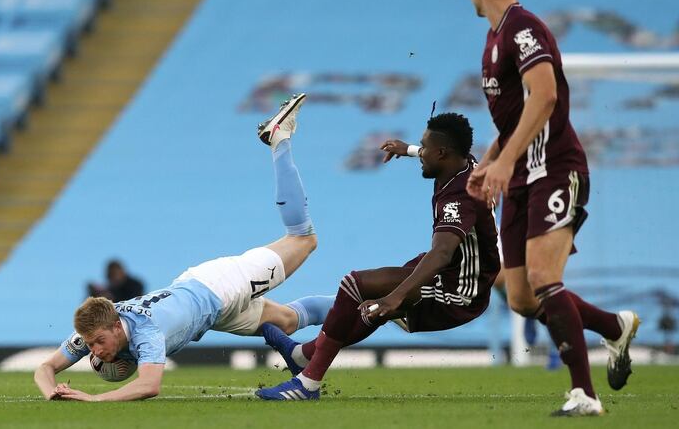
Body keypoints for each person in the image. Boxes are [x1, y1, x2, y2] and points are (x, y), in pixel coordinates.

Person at [33, 94, 334, 401]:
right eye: (91, 345)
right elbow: (43, 369)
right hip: (207, 306)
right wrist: (52, 394)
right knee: (287, 321)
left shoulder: (147, 332)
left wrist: (92, 398)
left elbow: (149, 386)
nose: (94, 351)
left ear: (114, 326)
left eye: (97, 342)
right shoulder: (97, 326)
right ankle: (362, 304)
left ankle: (279, 137)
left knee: (303, 239)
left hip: (222, 286)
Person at [464, 0, 639, 416]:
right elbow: (515, 119)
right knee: (520, 296)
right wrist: (492, 160)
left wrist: (504, 163)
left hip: (556, 169)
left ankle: (584, 394)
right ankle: (613, 327)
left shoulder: (524, 29)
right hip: (520, 177)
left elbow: (545, 96)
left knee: (545, 277)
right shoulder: (493, 38)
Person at [256, 113, 501, 401]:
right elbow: (432, 153)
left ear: (443, 153)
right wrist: (407, 149)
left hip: (459, 291)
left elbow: (443, 252)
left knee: (358, 286)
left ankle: (307, 383)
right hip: (454, 273)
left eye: (425, 148)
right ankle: (304, 355)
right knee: (367, 307)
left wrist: (396, 296)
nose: (421, 154)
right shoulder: (462, 163)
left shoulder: (459, 196)